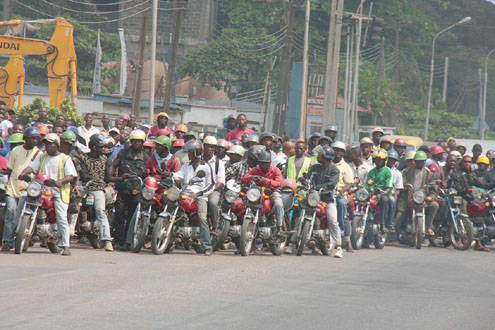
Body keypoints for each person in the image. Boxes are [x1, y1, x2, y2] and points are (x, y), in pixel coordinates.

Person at [19, 133, 78, 256]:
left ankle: (66, 245)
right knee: (23, 200)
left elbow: (71, 176)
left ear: (56, 144)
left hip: (58, 192)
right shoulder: (42, 156)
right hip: (41, 189)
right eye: (46, 143)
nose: (48, 146)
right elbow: (31, 168)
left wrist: (58, 182)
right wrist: (23, 173)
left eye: (51, 143)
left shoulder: (65, 158)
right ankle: (18, 235)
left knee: (61, 217)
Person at [107, 129, 149, 250]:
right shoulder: (123, 153)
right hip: (123, 188)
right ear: (131, 141)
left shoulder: (146, 157)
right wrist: (113, 177)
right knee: (119, 214)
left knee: (132, 216)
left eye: (139, 141)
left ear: (143, 143)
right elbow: (113, 165)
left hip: (137, 190)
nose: (136, 143)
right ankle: (118, 239)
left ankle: (128, 241)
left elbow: (149, 173)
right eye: (134, 141)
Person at [173, 140, 215, 255]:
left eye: (190, 152)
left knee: (202, 218)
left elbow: (211, 185)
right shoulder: (186, 166)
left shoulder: (206, 167)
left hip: (200, 197)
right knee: (171, 207)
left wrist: (199, 194)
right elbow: (178, 175)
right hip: (184, 194)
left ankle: (207, 245)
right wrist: (169, 175)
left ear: (197, 152)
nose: (188, 155)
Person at [1, 127, 41, 251]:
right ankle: (7, 241)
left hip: (28, 189)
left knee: (22, 215)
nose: (34, 141)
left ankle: (23, 238)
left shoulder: (38, 153)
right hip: (13, 188)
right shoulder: (16, 151)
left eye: (36, 138)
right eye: (31, 138)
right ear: (25, 139)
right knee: (10, 213)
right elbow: (10, 168)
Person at [78, 134, 114, 251]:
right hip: (85, 188)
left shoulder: (104, 159)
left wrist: (121, 178)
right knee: (74, 208)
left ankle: (107, 240)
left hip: (98, 189)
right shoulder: (83, 158)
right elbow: (83, 174)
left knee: (100, 211)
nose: (103, 149)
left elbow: (108, 177)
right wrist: (92, 178)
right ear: (93, 147)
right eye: (100, 147)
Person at [306, 146, 342, 258]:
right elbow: (308, 177)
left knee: (332, 220)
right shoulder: (314, 168)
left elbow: (332, 183)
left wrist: (320, 187)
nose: (318, 157)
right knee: (303, 211)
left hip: (327, 199)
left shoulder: (334, 170)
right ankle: (294, 241)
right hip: (313, 198)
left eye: (320, 155)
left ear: (326, 157)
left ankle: (338, 247)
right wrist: (303, 180)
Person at [395, 151, 439, 239]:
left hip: (422, 197)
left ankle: (428, 226)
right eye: (418, 161)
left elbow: (433, 188)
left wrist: (431, 197)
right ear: (415, 161)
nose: (420, 163)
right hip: (408, 197)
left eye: (422, 161)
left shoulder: (428, 173)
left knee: (435, 205)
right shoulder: (406, 171)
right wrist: (405, 186)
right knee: (401, 212)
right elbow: (402, 183)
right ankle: (396, 232)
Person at [241, 150, 284, 234]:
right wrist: (252, 177)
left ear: (270, 162)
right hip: (257, 191)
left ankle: (279, 227)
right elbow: (244, 178)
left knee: (278, 203)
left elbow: (279, 183)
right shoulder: (255, 169)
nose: (263, 165)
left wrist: (266, 181)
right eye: (261, 163)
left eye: (265, 163)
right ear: (259, 162)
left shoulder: (276, 170)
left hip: (271, 191)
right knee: (244, 200)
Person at [330, 141, 353, 251]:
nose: (337, 152)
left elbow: (349, 183)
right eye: (335, 150)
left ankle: (342, 231)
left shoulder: (346, 166)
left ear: (343, 153)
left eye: (340, 151)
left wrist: (341, 191)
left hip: (339, 193)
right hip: (326, 192)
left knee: (342, 203)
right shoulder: (328, 163)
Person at [202, 136, 225, 233]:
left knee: (212, 203)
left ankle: (215, 227)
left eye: (212, 147)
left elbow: (221, 182)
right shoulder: (197, 159)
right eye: (207, 146)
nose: (209, 149)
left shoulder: (219, 163)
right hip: (197, 189)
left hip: (213, 190)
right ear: (203, 146)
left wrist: (210, 190)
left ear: (215, 148)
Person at [386, 149, 403, 231]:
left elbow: (398, 188)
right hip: (379, 192)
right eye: (389, 159)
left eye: (393, 160)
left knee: (392, 200)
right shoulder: (380, 169)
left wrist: (395, 194)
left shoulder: (398, 173)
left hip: (390, 194)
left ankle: (390, 223)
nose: (391, 161)